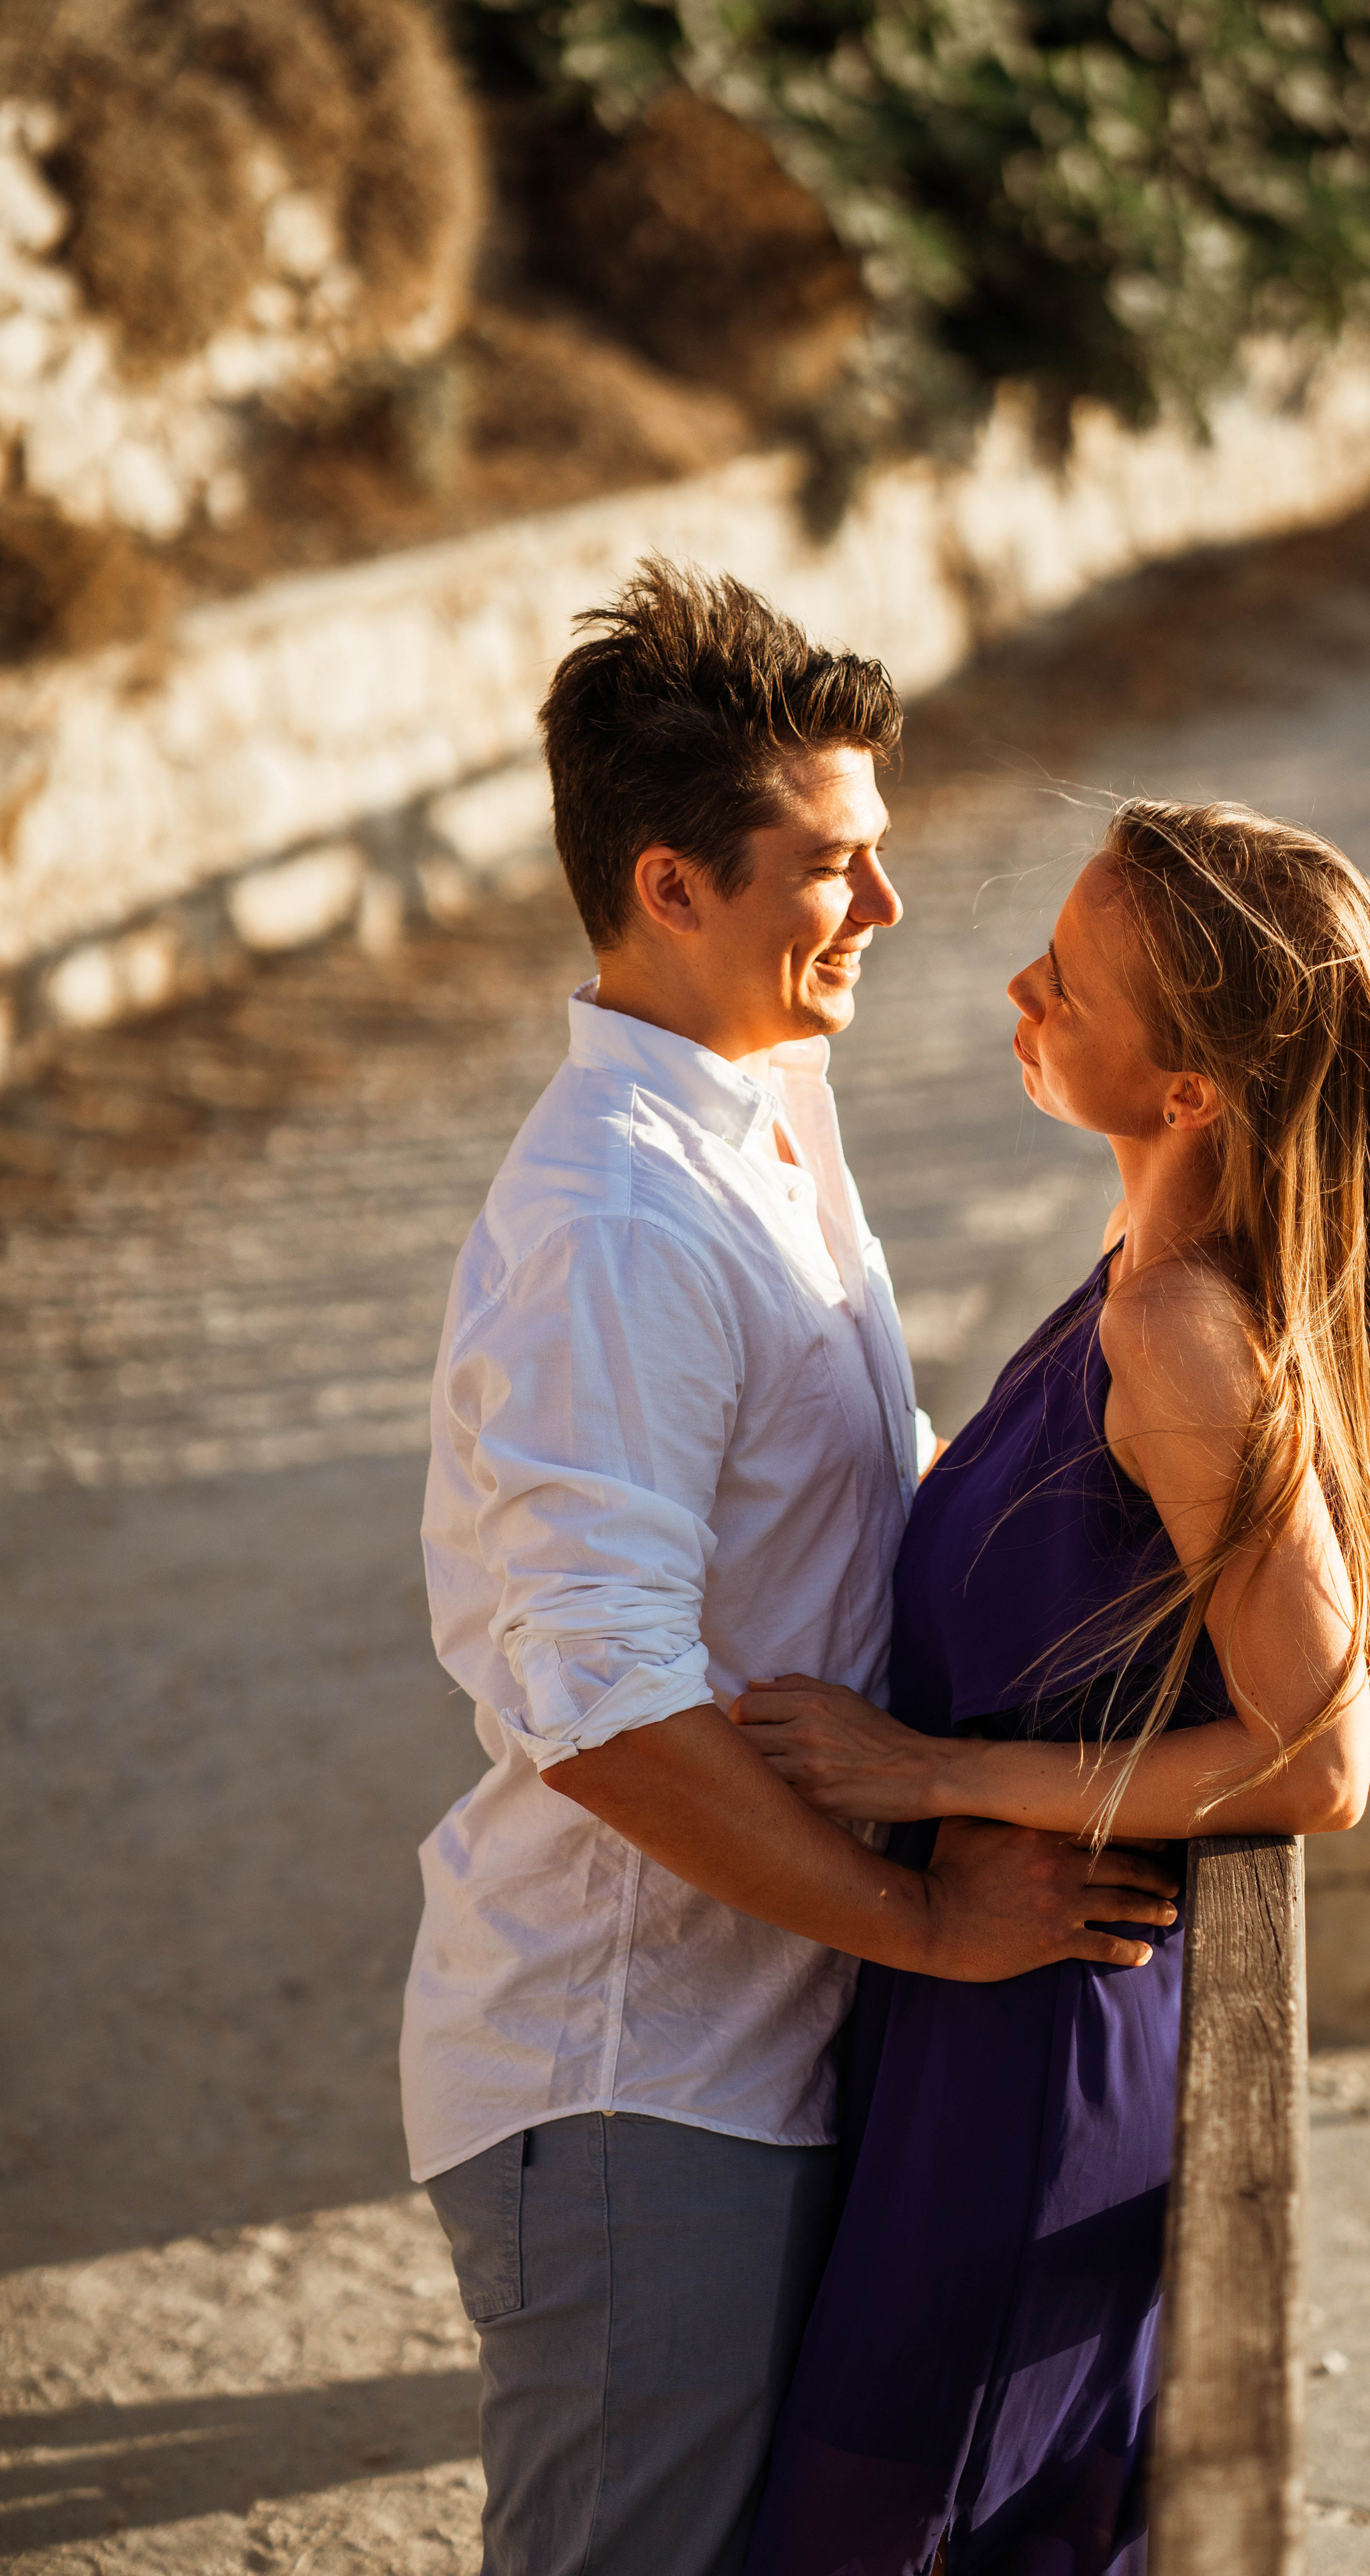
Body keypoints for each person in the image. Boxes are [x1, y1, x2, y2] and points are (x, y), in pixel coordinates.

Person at [731, 798, 1370, 2576]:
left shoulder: (1181, 1332)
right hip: (988, 2011)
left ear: (1189, 1094)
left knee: (898, 2525)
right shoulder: (1149, 1287)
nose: (1021, 982)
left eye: (1074, 983)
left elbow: (1319, 1758)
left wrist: (929, 1768)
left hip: (1037, 2044)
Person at [399, 561, 1179, 2576]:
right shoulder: (620, 1224)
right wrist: (928, 1923)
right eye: (834, 865)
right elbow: (594, 1699)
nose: (889, 909)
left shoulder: (764, 1121)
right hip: (637, 2079)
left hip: (768, 2051)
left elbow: (867, 1498)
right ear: (672, 884)